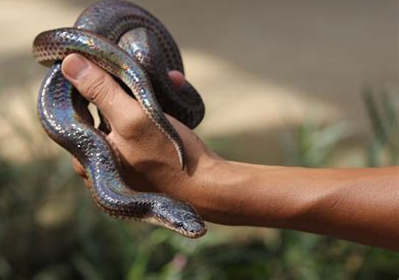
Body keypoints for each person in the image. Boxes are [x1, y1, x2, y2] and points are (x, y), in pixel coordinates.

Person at [61, 53, 399, 251]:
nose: (193, 230)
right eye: (183, 222)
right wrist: (211, 179)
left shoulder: (119, 196)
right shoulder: (131, 199)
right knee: (165, 86)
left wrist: (212, 183)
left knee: (165, 88)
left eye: (184, 222)